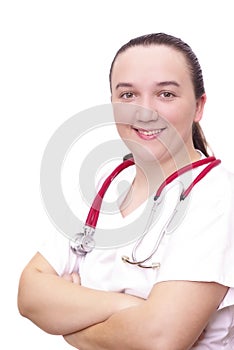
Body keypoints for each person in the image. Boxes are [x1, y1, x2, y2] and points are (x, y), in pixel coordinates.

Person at [17, 33, 234, 349]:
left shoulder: (217, 196)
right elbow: (29, 293)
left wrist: (70, 327)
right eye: (128, 95)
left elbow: (159, 339)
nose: (144, 111)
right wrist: (133, 308)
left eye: (166, 94)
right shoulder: (105, 181)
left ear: (199, 106)